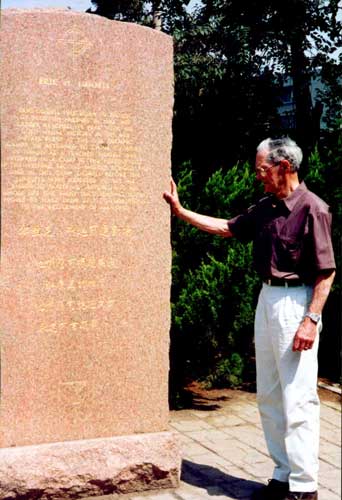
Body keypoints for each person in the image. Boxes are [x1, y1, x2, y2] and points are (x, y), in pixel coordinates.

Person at [163, 137, 336, 500]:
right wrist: (180, 211)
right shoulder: (266, 207)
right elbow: (227, 227)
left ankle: (305, 487)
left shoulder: (313, 209)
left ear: (283, 167)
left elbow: (326, 272)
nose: (258, 177)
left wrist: (311, 320)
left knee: (299, 397)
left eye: (262, 170)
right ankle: (282, 475)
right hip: (267, 299)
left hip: (296, 303)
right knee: (270, 395)